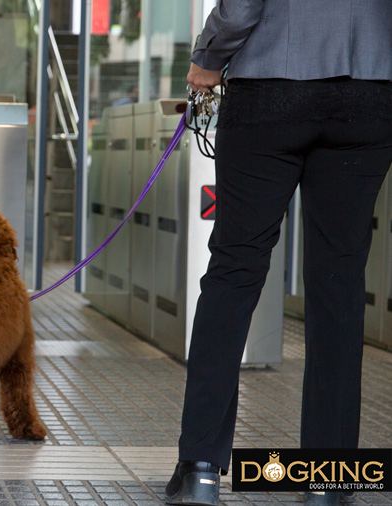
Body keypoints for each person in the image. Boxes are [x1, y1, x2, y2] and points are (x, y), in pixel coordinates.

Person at [168, 1, 392, 505]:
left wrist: (208, 57)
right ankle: (329, 481)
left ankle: (201, 470)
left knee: (234, 271)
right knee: (339, 281)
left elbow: (244, 4)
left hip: (271, 89)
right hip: (370, 93)